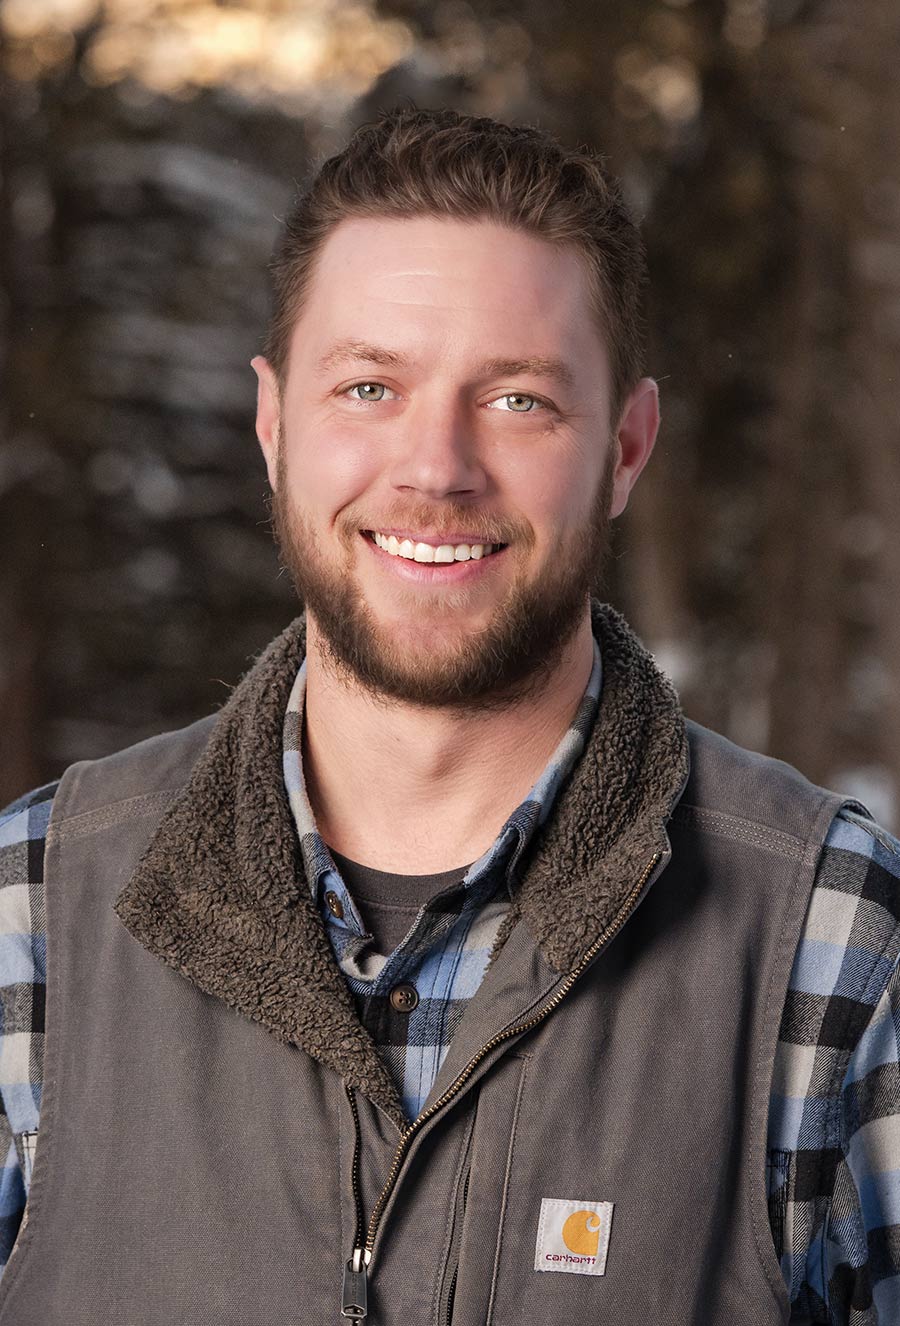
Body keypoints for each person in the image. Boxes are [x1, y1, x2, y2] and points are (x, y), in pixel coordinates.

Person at [0, 106, 898, 1326]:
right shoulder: (34, 908)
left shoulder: (835, 939)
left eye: (520, 400)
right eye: (370, 385)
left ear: (628, 446)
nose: (436, 467)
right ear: (274, 425)